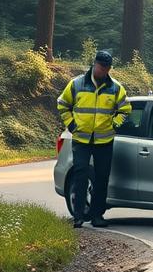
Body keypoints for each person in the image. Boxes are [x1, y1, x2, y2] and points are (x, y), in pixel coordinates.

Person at [57, 50, 132, 228]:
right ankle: (78, 216)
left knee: (101, 178)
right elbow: (62, 104)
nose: (102, 70)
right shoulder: (77, 84)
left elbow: (125, 109)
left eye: (106, 68)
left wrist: (114, 124)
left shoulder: (115, 88)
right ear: (94, 64)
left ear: (109, 68)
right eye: (100, 66)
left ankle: (97, 215)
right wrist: (72, 125)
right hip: (81, 139)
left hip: (104, 141)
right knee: (81, 174)